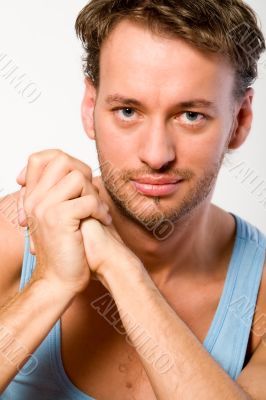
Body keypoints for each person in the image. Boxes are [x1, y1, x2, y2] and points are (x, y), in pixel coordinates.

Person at [0, 0, 266, 398]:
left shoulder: (259, 292)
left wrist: (120, 268)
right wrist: (51, 283)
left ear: (240, 121)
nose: (157, 155)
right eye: (127, 111)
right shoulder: (11, 235)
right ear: (90, 108)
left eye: (191, 115)